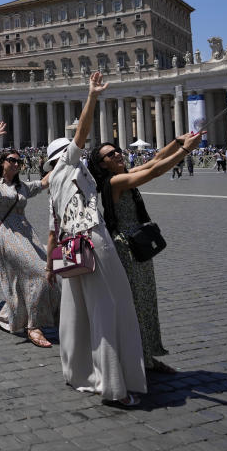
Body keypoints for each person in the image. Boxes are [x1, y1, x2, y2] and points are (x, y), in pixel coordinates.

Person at [46, 71, 146, 408]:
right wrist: (91, 96)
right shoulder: (67, 167)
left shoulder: (56, 188)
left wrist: (50, 266)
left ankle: (78, 372)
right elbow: (82, 134)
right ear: (64, 156)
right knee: (109, 308)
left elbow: (52, 231)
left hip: (67, 249)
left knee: (75, 315)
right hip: (91, 241)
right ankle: (114, 386)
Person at [87, 132, 203, 374]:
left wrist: (178, 142)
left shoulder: (123, 175)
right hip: (127, 248)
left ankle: (145, 356)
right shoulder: (114, 182)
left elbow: (156, 159)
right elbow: (154, 172)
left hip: (136, 245)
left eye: (117, 149)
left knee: (146, 300)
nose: (118, 153)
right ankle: (135, 358)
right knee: (137, 303)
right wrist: (186, 151)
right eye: (110, 154)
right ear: (102, 165)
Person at [0, 121, 58, 347]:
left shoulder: (22, 188)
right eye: (11, 160)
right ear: (2, 163)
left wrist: (63, 163)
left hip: (27, 234)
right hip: (7, 235)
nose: (16, 163)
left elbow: (42, 183)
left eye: (19, 161)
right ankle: (33, 327)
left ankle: (4, 317)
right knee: (39, 272)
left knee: (50, 273)